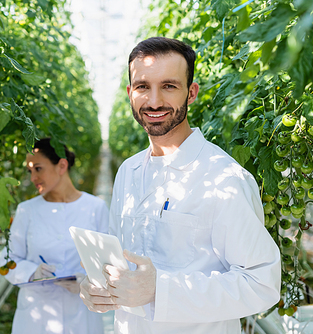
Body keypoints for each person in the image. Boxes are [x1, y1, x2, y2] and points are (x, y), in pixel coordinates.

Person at [79, 37, 281, 334]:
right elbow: (120, 261)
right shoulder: (128, 171)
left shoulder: (223, 178)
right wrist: (98, 286)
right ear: (130, 93)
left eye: (169, 86)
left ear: (191, 93)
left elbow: (261, 283)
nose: (155, 101)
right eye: (143, 86)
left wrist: (161, 289)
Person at [3, 138, 109, 334]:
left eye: (38, 168)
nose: (33, 177)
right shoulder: (26, 211)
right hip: (36, 317)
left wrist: (89, 282)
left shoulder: (95, 208)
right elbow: (7, 260)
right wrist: (32, 272)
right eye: (30, 171)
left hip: (81, 314)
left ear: (61, 165)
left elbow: (108, 263)